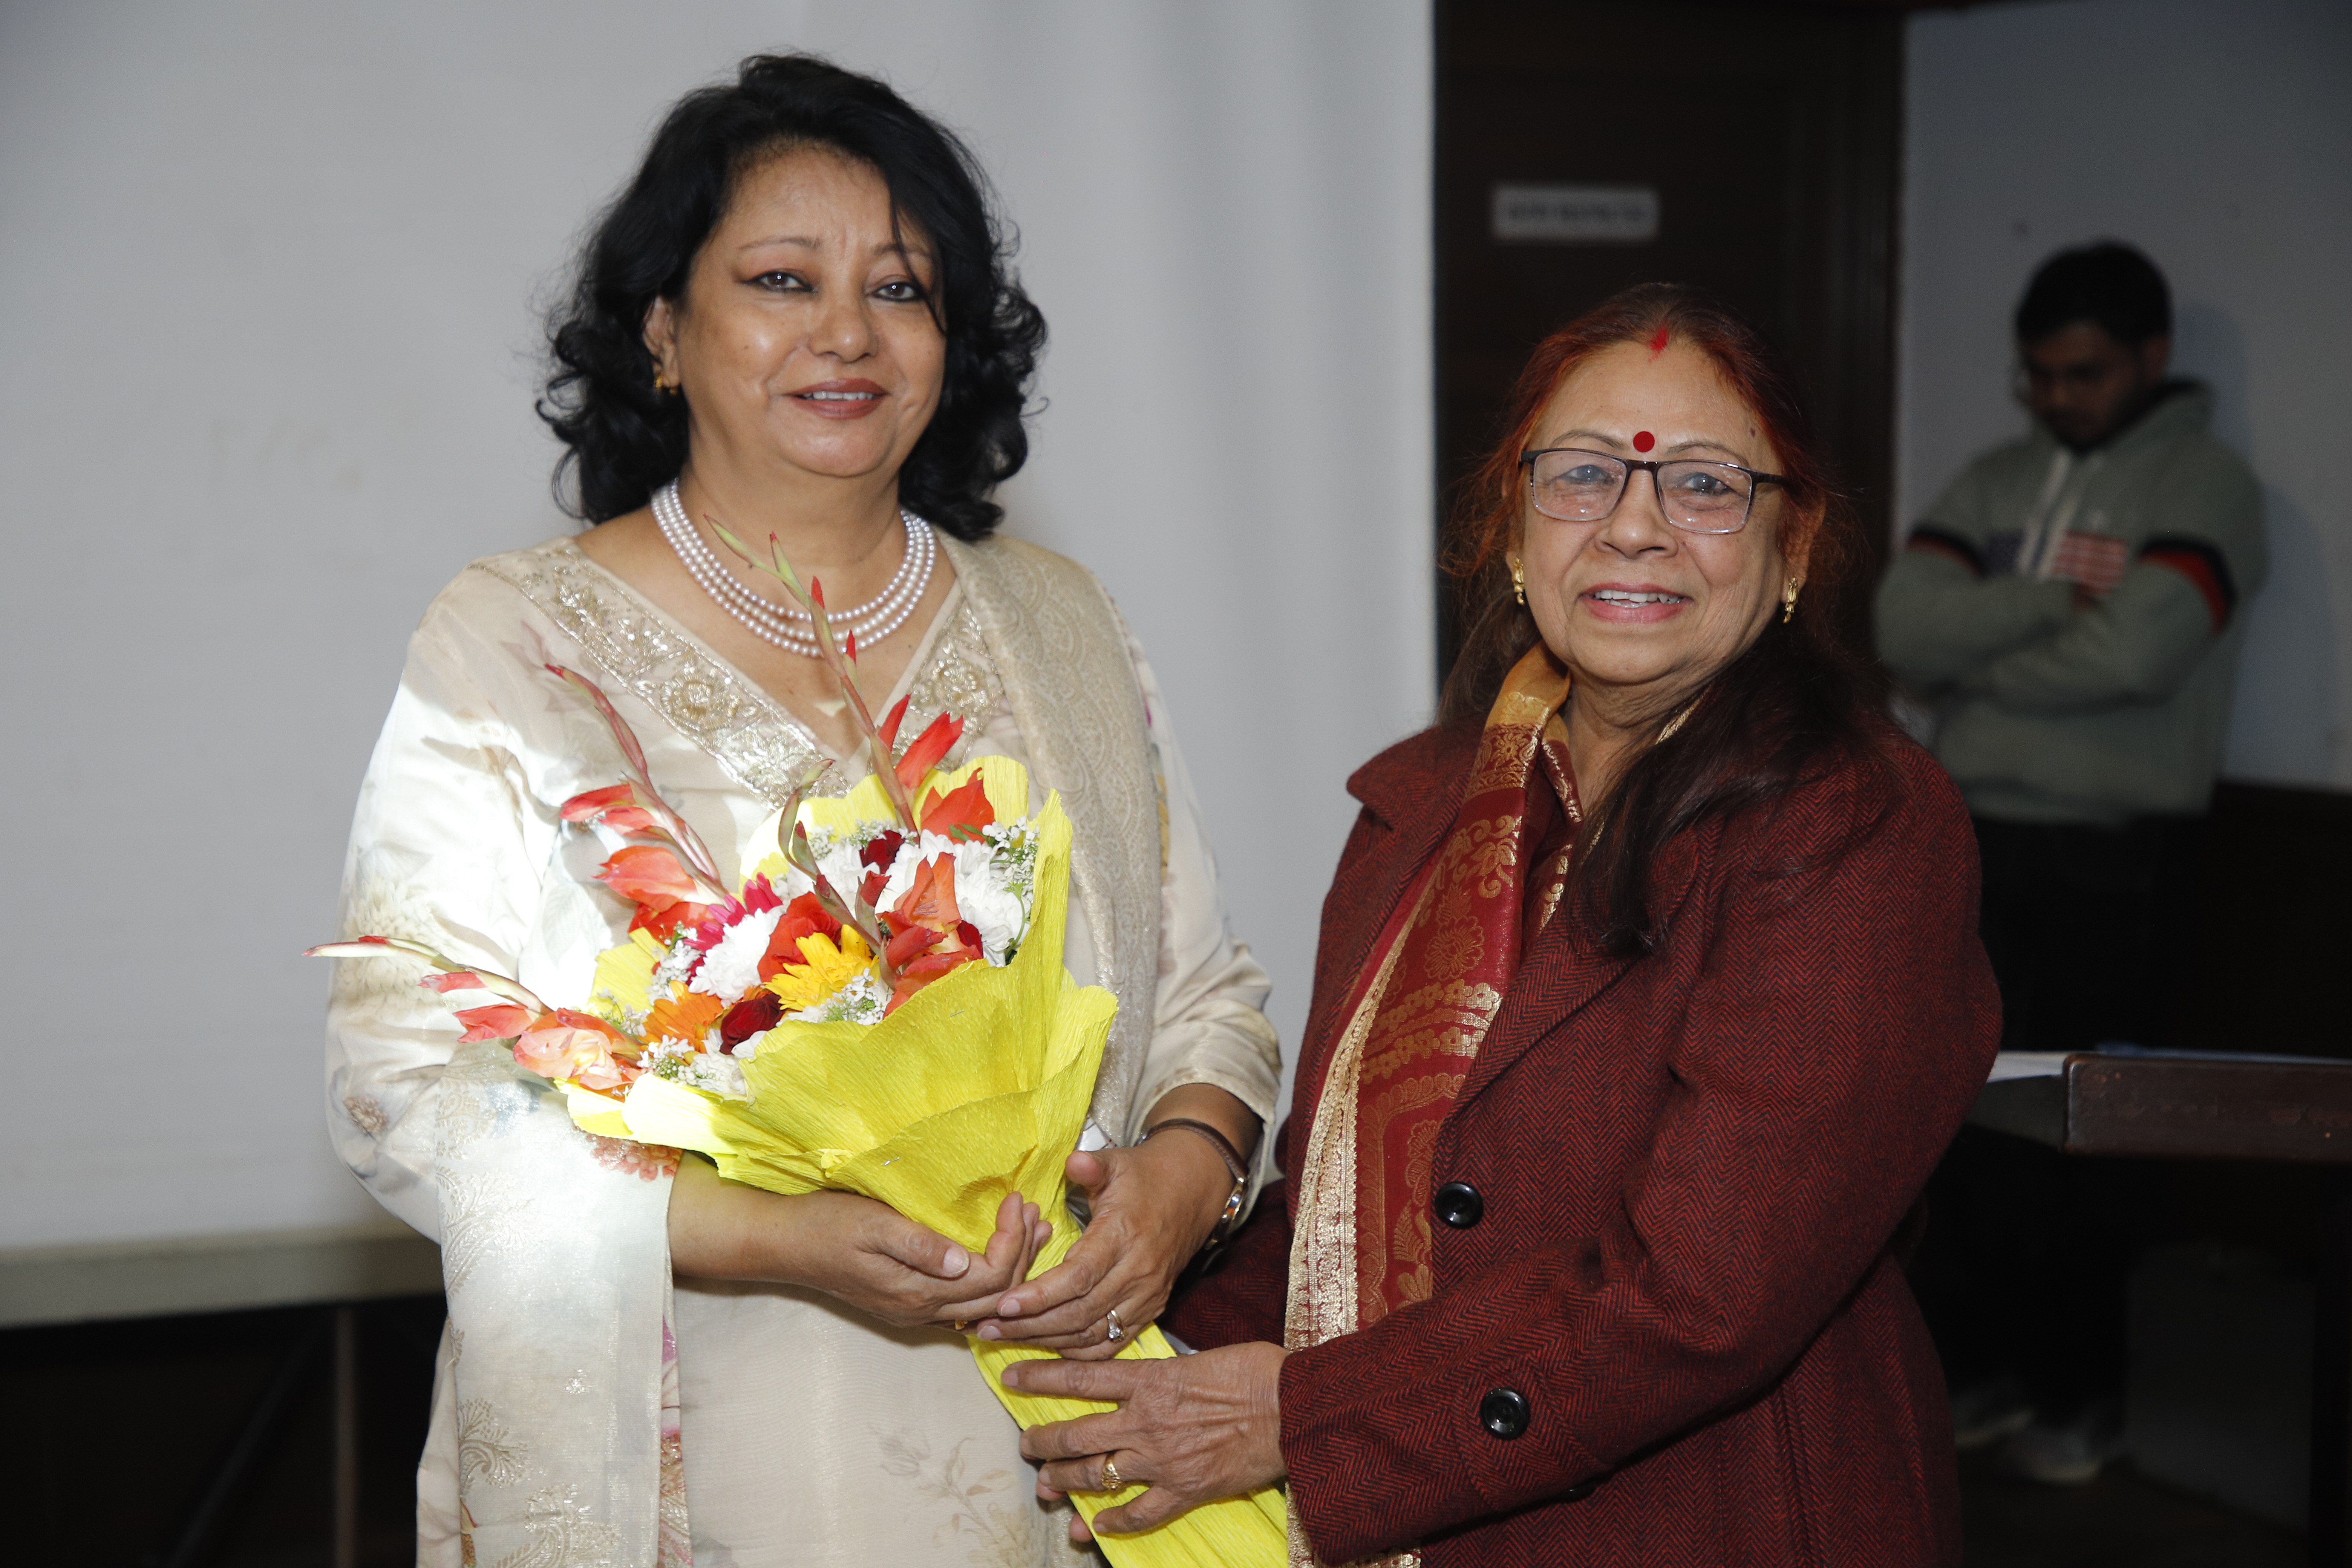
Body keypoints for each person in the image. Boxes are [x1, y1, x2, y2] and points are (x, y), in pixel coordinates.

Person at [324, 54, 1279, 1568]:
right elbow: (408, 1077)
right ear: (663, 327)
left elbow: (1207, 994)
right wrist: (780, 1236)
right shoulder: (515, 643)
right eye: (781, 278)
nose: (847, 331)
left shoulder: (1060, 622)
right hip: (689, 1444)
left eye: (899, 289)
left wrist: (1179, 1177)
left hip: (1074, 1438)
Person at [1003, 285, 2001, 1565]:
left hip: (1714, 1516)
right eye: (1584, 477)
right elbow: (1338, 1202)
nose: (1636, 529)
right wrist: (1122, 1326)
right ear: (1516, 533)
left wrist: (1298, 1424)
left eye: (1704, 487)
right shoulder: (1426, 808)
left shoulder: (1857, 826)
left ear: (1792, 548)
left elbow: (1701, 1295)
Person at [1875, 242, 2266, 1484]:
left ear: (2151, 359)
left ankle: (2083, 1396)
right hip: (1978, 838)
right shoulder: (1999, 475)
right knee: (1965, 1123)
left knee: (2094, 1143)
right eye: (2038, 375)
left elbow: (2139, 660)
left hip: (2120, 859)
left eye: (2084, 373)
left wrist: (1974, 662)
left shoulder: (2206, 487)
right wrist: (2054, 601)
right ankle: (1981, 1375)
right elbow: (1897, 625)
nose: (2056, 398)